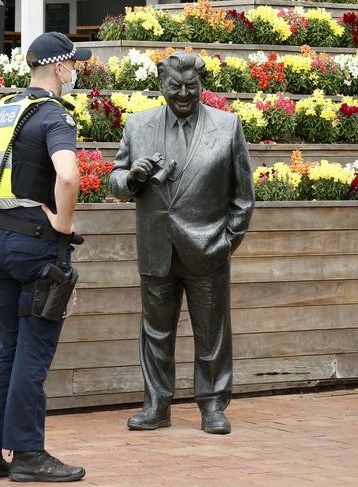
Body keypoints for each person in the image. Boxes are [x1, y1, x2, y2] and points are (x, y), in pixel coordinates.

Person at [0, 32, 89, 482]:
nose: (76, 72)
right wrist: (64, 223)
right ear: (58, 69)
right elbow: (68, 176)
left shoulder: (2, 111)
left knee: (7, 349)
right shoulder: (53, 115)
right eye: (74, 65)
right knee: (32, 355)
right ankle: (29, 454)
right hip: (37, 248)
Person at [108, 52, 254, 435]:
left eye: (192, 86)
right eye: (175, 86)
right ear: (162, 86)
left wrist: (225, 242)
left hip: (208, 248)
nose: (184, 94)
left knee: (212, 333)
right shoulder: (138, 125)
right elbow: (115, 181)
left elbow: (243, 196)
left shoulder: (227, 126)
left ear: (201, 86)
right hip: (156, 248)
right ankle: (156, 405)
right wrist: (132, 177)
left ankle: (212, 406)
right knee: (155, 332)